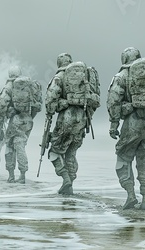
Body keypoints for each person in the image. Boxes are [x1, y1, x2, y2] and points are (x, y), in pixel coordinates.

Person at [107, 47, 145, 210]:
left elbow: (114, 100)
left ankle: (130, 195)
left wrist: (114, 124)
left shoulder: (121, 76)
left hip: (132, 124)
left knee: (123, 159)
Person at [45, 53, 100, 194]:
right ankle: (70, 185)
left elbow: (50, 103)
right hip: (83, 119)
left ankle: (65, 179)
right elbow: (95, 99)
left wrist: (62, 104)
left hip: (66, 119)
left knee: (54, 151)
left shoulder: (59, 77)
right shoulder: (85, 76)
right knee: (71, 153)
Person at [0, 66, 42, 184]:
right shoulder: (30, 85)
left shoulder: (10, 85)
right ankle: (22, 174)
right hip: (28, 120)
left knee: (10, 146)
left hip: (15, 119)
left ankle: (11, 176)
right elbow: (38, 105)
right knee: (21, 145)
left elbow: (3, 102)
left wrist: (5, 114)